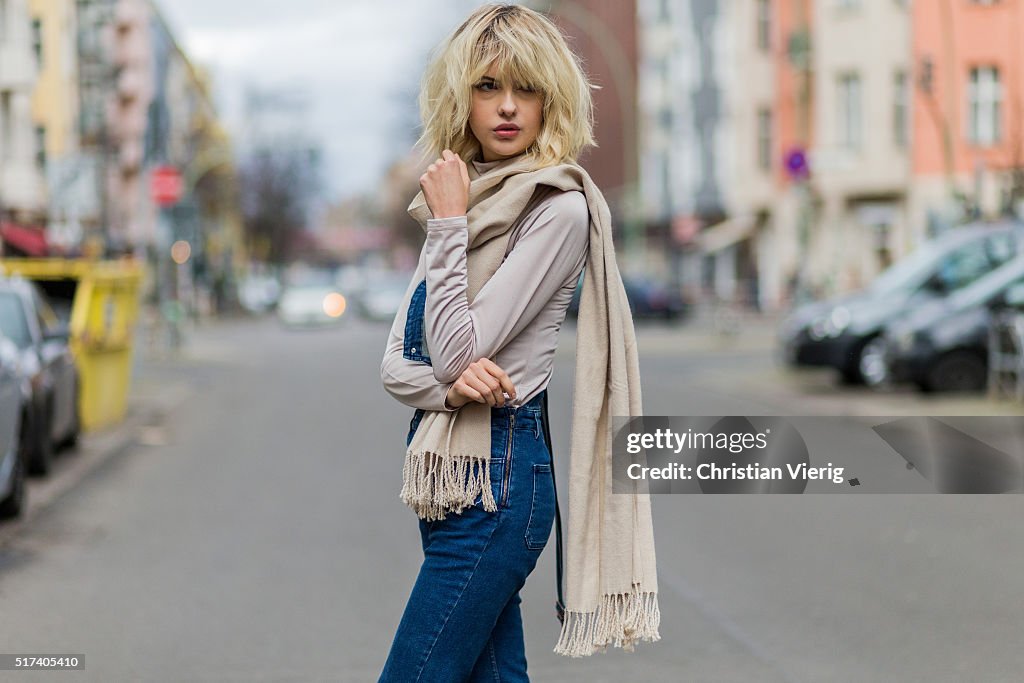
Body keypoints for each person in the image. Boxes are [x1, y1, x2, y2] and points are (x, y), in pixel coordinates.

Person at [379, 5, 660, 681]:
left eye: (526, 89)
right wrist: (447, 389)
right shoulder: (467, 200)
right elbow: (398, 362)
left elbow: (450, 347)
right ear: (461, 98)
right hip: (449, 480)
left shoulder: (556, 209)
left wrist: (448, 228)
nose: (506, 107)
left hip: (501, 483)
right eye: (487, 87)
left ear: (550, 101)